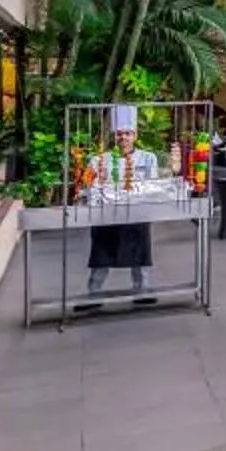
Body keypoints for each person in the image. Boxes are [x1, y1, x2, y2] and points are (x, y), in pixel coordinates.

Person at [83, 104, 159, 307]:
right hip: (107, 216)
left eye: (127, 133)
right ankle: (94, 295)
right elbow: (88, 184)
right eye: (119, 134)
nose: (123, 138)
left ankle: (142, 292)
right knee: (100, 256)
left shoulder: (148, 159)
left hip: (136, 213)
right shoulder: (100, 160)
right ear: (114, 137)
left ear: (135, 135)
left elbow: (152, 185)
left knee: (140, 255)